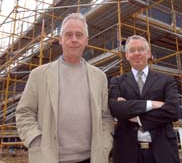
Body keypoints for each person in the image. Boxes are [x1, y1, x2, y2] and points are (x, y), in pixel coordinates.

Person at [16, 12, 114, 163]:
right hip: (49, 157)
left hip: (91, 158)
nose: (74, 39)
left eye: (79, 35)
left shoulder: (99, 77)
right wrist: (35, 140)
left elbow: (106, 117)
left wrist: (105, 143)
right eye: (69, 34)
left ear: (86, 40)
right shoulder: (38, 75)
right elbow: (24, 112)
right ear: (60, 40)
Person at [108, 35, 180, 163]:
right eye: (132, 50)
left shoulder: (166, 80)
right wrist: (151, 104)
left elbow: (173, 111)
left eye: (141, 49)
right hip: (127, 152)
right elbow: (116, 109)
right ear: (126, 55)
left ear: (148, 53)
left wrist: (136, 117)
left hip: (162, 151)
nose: (137, 53)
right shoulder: (117, 81)